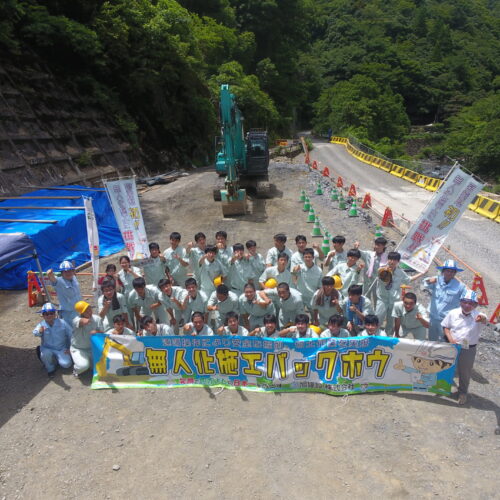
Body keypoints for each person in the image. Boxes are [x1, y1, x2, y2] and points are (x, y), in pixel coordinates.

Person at [441, 289, 488, 405]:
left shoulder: (479, 315)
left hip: (468, 349)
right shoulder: (453, 313)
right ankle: (441, 387)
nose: (467, 305)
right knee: (445, 366)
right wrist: (450, 338)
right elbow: (446, 327)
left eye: (471, 303)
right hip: (452, 345)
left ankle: (462, 392)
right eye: (465, 302)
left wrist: (481, 319)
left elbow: (484, 319)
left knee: (465, 372)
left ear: (475, 305)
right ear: (460, 302)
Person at [423, 260, 467, 341]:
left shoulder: (460, 287)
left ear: (455, 273)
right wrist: (429, 281)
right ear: (443, 271)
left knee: (444, 340)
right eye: (447, 271)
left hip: (446, 320)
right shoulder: (436, 280)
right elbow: (424, 283)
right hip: (433, 317)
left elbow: (467, 299)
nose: (449, 273)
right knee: (431, 339)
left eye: (452, 271)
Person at [375, 251, 412, 334]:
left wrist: (422, 273)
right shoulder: (381, 269)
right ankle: (375, 335)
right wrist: (386, 272)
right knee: (378, 318)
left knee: (390, 322)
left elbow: (408, 280)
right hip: (382, 299)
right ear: (388, 260)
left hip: (394, 301)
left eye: (394, 260)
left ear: (398, 261)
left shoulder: (400, 272)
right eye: (390, 259)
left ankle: (387, 338)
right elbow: (382, 279)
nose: (392, 261)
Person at [33, 303, 73, 377]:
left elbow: (72, 335)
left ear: (55, 314)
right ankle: (50, 369)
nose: (49, 315)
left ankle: (54, 359)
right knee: (45, 354)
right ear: (42, 315)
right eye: (46, 314)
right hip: (47, 348)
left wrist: (71, 348)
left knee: (66, 364)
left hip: (61, 348)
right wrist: (40, 331)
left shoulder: (62, 323)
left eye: (51, 313)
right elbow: (35, 333)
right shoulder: (41, 325)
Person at [71, 301, 104, 377]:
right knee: (83, 366)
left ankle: (89, 363)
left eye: (89, 309)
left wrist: (97, 331)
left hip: (92, 349)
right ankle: (76, 369)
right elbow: (82, 321)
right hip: (79, 349)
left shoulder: (97, 318)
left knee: (102, 366)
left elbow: (102, 333)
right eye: (86, 311)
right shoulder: (76, 319)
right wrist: (87, 320)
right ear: (81, 313)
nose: (89, 312)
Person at [47, 260, 82, 325]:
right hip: (68, 313)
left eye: (69, 271)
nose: (68, 273)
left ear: (73, 271)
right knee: (71, 332)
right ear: (62, 273)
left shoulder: (74, 278)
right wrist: (50, 275)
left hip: (78, 309)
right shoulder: (59, 281)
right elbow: (53, 280)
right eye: (65, 272)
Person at [357, 236, 389, 305]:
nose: (376, 247)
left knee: (377, 301)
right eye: (376, 244)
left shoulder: (387, 258)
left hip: (378, 284)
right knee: (365, 300)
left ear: (383, 246)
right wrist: (356, 247)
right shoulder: (369, 254)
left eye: (379, 245)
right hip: (367, 282)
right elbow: (358, 252)